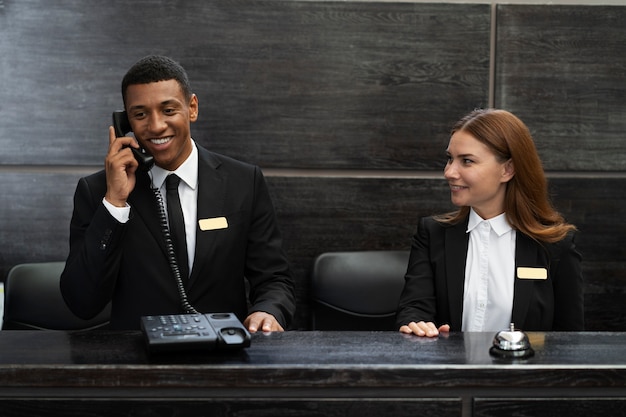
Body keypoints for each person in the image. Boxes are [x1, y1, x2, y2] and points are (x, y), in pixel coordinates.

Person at [60, 55, 296, 331]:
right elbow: (81, 302)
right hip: (137, 361)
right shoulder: (98, 191)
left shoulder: (244, 181)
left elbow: (274, 279)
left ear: (192, 108)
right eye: (140, 114)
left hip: (224, 358)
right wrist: (115, 204)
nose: (156, 125)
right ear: (126, 122)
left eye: (168, 110)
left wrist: (268, 312)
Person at [396, 108, 584, 337]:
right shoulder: (433, 234)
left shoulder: (556, 245)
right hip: (449, 371)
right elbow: (414, 308)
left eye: (466, 161)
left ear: (507, 169)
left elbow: (570, 340)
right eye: (449, 159)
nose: (449, 172)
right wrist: (417, 325)